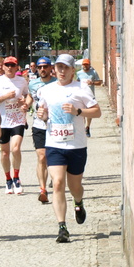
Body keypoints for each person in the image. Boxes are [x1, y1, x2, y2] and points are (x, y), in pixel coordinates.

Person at [35, 53, 102, 243]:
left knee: (75, 187)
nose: (62, 71)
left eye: (66, 67)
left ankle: (78, 202)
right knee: (57, 183)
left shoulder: (82, 88)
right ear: (54, 69)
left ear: (73, 70)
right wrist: (42, 114)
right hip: (54, 144)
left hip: (76, 145)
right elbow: (44, 113)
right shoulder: (46, 90)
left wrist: (78, 111)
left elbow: (97, 112)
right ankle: (62, 227)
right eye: (59, 67)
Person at [0, 56, 30, 194]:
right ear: (2, 66)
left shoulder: (21, 81)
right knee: (5, 153)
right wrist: (6, 97)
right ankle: (8, 179)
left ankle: (17, 178)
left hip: (18, 119)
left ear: (17, 67)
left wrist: (26, 104)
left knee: (16, 149)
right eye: (7, 65)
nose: (9, 67)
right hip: (3, 121)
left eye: (12, 65)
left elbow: (28, 95)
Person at [26, 57, 57, 203]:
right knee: (42, 157)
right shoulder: (33, 84)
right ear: (37, 69)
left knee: (53, 158)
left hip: (55, 125)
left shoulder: (57, 83)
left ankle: (56, 180)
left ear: (51, 68)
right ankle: (42, 189)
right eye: (40, 67)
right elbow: (30, 97)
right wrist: (25, 105)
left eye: (45, 67)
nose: (43, 70)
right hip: (38, 125)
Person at [76, 58, 102, 137]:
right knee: (82, 112)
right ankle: (82, 128)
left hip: (90, 96)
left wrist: (92, 82)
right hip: (81, 95)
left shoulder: (93, 72)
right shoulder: (79, 73)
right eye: (84, 64)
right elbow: (76, 82)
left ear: (89, 65)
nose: (85, 66)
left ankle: (88, 127)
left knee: (89, 113)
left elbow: (100, 82)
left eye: (86, 64)